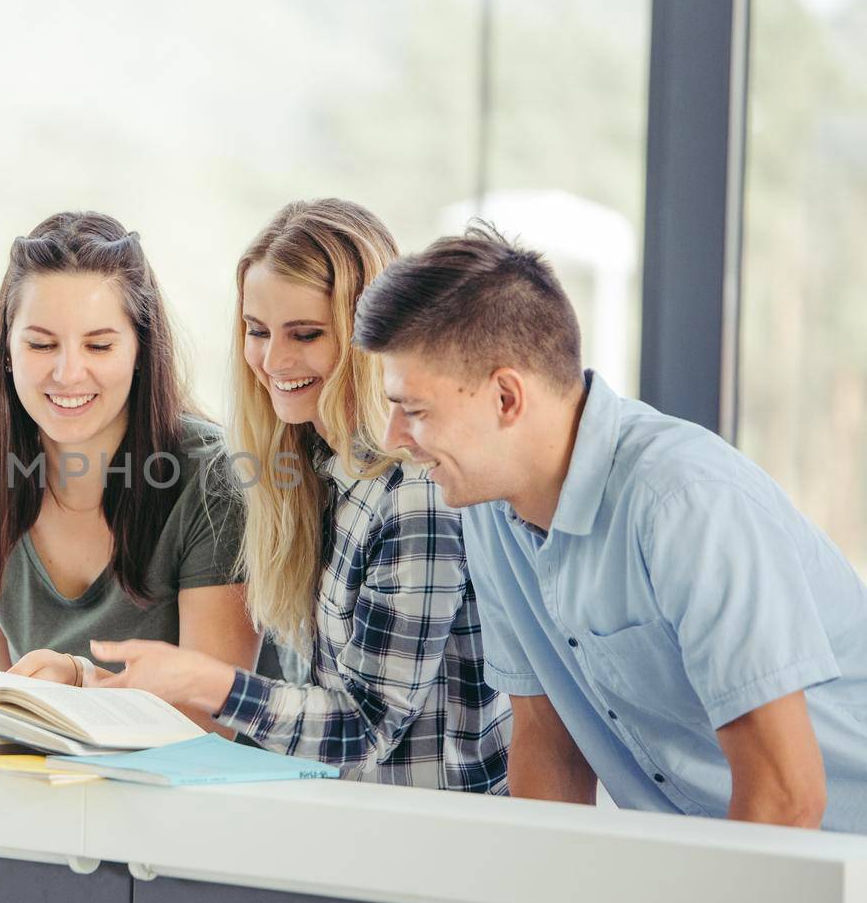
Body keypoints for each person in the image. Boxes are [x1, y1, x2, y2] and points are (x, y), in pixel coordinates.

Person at [352, 222, 867, 833]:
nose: (392, 440)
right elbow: (549, 741)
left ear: (506, 399)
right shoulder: (488, 508)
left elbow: (785, 796)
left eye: (413, 410)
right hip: (721, 863)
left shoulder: (683, 502)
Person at [44, 199, 510, 792]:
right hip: (340, 831)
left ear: (369, 337)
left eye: (307, 334)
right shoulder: (303, 473)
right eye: (257, 332)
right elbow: (303, 726)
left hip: (433, 847)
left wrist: (208, 682)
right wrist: (96, 683)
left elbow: (367, 728)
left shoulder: (414, 493)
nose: (273, 360)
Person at [0, 211, 258, 727]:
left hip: (196, 797)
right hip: (57, 790)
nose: (67, 373)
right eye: (41, 344)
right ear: (8, 352)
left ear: (139, 350)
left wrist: (83, 679)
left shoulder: (214, 480)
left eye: (99, 345)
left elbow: (209, 724)